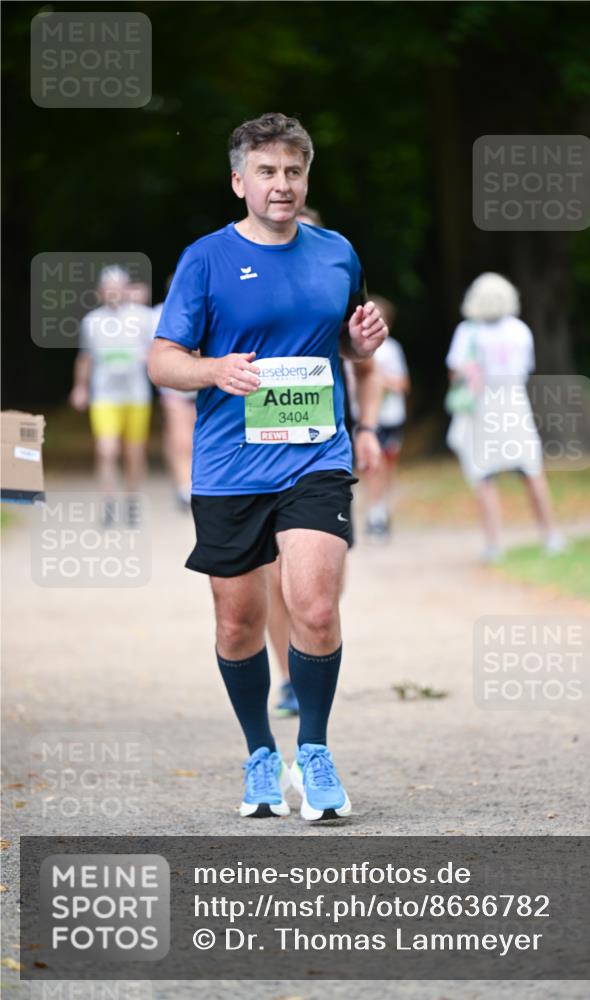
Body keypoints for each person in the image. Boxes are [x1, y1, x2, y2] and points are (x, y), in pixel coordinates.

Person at [148, 113, 387, 820]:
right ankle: (259, 755)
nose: (280, 184)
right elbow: (162, 360)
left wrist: (363, 339)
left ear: (304, 178)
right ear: (238, 181)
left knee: (314, 605)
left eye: (292, 171)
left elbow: (347, 341)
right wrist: (212, 368)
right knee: (237, 623)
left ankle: (312, 752)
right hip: (229, 466)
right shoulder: (206, 259)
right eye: (266, 171)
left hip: (315, 455)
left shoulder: (336, 252)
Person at [269, 206, 382, 718]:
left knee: (324, 579)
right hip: (263, 452)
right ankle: (289, 676)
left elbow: (366, 368)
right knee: (273, 572)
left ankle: (314, 638)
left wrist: (368, 429)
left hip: (325, 449)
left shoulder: (332, 282)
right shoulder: (255, 291)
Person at [445, 271, 565, 563]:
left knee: (484, 475)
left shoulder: (468, 331)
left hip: (483, 406)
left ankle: (494, 544)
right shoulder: (520, 329)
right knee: (531, 470)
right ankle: (550, 535)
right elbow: (527, 367)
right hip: (514, 403)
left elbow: (455, 372)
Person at [69, 266, 154, 526]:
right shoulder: (92, 321)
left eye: (118, 288)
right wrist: (80, 387)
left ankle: (132, 501)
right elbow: (85, 358)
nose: (113, 293)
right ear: (100, 292)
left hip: (136, 395)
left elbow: (162, 351)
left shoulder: (144, 317)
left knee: (134, 452)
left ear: (126, 290)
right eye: (108, 289)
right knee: (107, 450)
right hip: (104, 395)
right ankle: (107, 503)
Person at [348, 295, 410, 541]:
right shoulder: (351, 349)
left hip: (390, 417)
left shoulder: (392, 349)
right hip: (362, 416)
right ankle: (374, 513)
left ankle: (380, 510)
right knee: (370, 466)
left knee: (385, 466)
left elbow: (402, 384)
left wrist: (380, 380)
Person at [153, 275, 198, 511]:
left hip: (204, 385)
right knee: (181, 439)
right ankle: (183, 488)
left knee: (195, 438)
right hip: (175, 388)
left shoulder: (208, 308)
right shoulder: (158, 315)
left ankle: (195, 483)